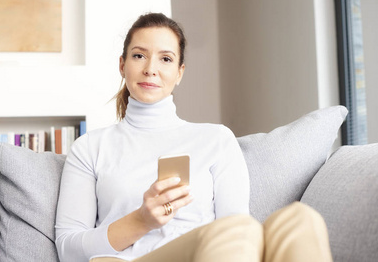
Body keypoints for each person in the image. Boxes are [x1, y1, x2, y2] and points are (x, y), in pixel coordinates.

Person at [55, 13, 333, 262]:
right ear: (122, 65)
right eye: (139, 55)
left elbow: (238, 231)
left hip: (213, 253)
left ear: (180, 73)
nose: (151, 68)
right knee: (237, 229)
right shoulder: (90, 147)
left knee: (301, 218)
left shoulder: (216, 139)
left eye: (165, 59)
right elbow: (67, 248)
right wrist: (141, 220)